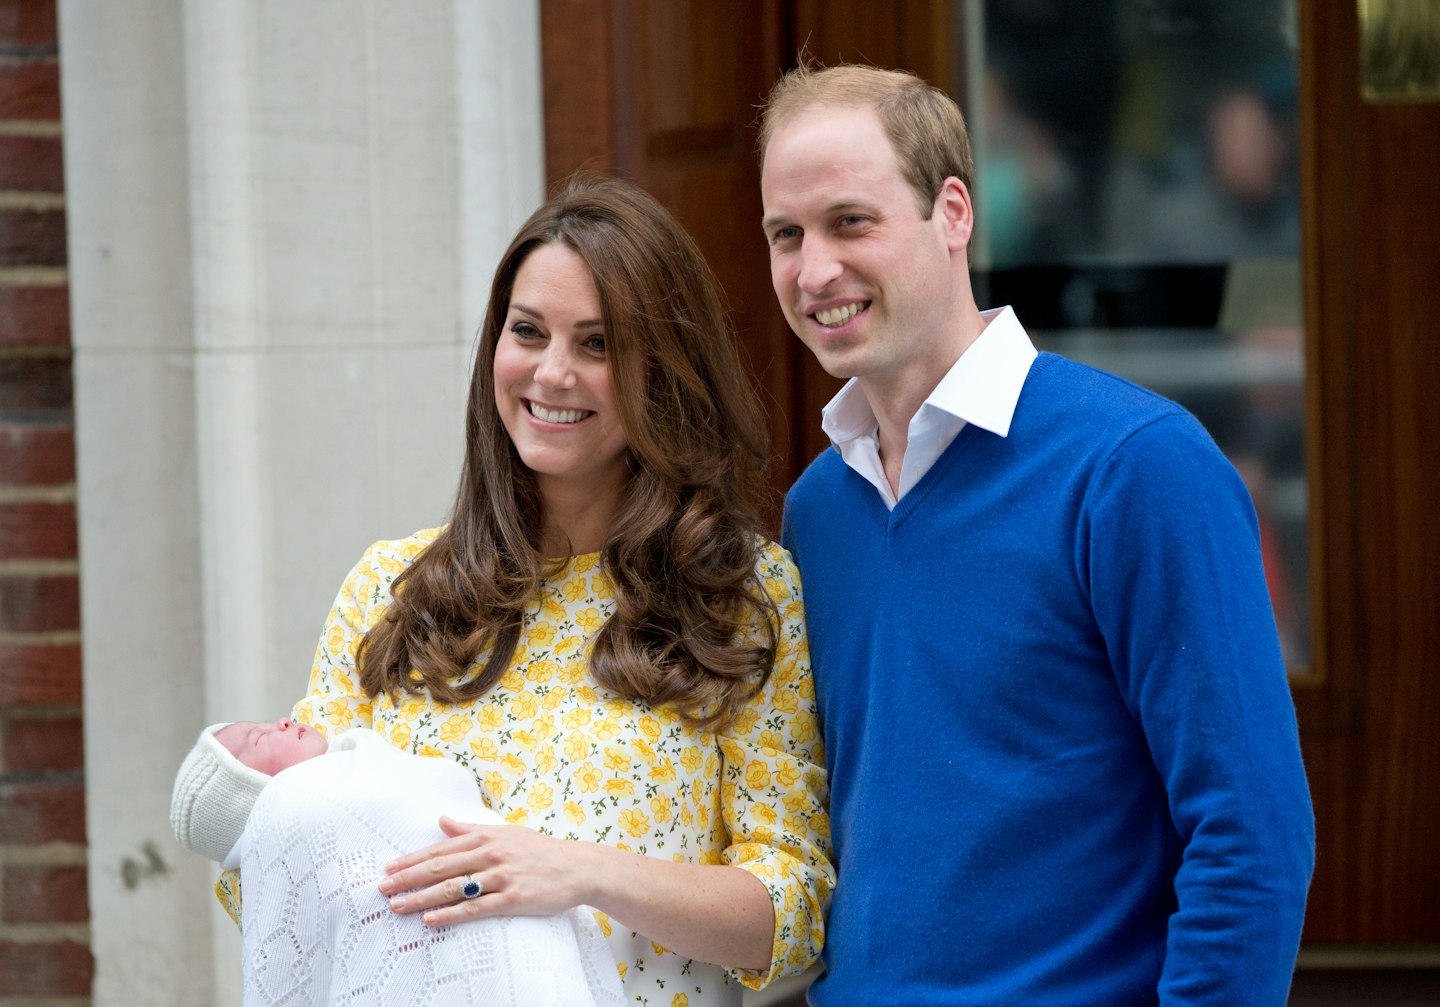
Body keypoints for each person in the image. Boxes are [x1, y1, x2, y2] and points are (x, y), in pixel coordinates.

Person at [758, 63, 1314, 1005]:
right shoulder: (819, 508)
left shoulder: (1137, 466)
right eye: (786, 235)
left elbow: (1252, 835)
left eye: (852, 221)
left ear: (954, 213)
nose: (815, 271)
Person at [209, 174, 833, 1007]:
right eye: (528, 331)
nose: (551, 373)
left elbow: (791, 910)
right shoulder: (391, 591)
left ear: (667, 371)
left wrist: (577, 871)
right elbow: (285, 871)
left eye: (598, 344)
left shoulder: (741, 595)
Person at [170, 717, 625, 1006]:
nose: (283, 722)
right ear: (249, 793)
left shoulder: (360, 772)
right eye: (258, 737)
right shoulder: (302, 809)